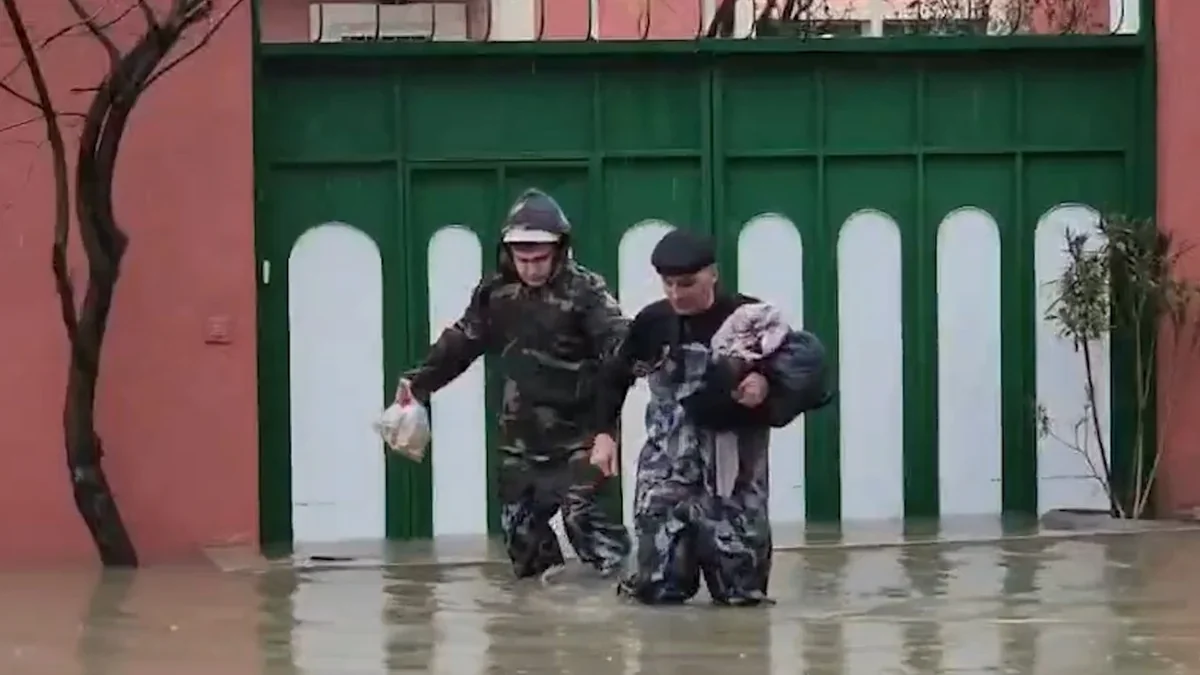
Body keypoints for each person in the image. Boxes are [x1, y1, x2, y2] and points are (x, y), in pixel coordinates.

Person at [396, 188, 632, 582]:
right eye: (523, 259)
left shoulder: (586, 293)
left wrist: (609, 428)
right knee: (522, 539)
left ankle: (618, 609)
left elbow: (621, 351)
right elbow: (461, 344)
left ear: (559, 250)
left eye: (540, 259)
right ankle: (536, 626)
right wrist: (418, 384)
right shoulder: (494, 294)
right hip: (520, 438)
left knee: (588, 526)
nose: (532, 269)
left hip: (581, 436)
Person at [589, 227, 828, 606]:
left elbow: (809, 372)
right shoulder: (654, 323)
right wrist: (604, 434)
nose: (676, 294)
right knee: (655, 593)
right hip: (667, 476)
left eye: (687, 283)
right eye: (668, 284)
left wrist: (764, 384)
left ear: (713, 274)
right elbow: (614, 375)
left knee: (741, 598)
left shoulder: (752, 321)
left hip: (733, 481)